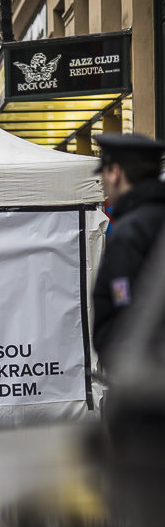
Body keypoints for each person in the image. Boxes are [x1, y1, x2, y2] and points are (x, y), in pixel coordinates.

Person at [92, 133, 165, 368]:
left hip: (145, 372)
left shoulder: (130, 230)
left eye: (104, 174)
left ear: (116, 173)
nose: (103, 183)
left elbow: (123, 300)